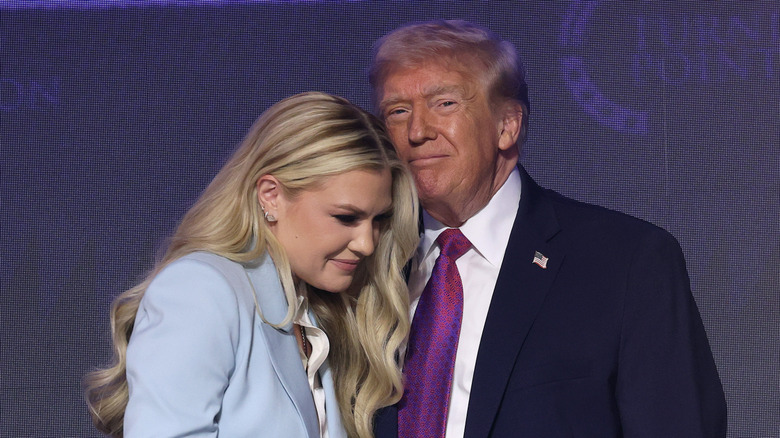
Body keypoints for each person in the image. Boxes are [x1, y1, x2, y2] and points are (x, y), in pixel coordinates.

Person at [368, 20, 727, 437]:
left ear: (507, 126)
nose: (417, 131)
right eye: (398, 111)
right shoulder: (366, 267)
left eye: (444, 104)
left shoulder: (626, 262)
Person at [84, 91, 420, 438]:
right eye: (346, 217)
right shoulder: (201, 288)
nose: (367, 244)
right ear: (271, 196)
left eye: (379, 219)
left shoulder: (314, 313)